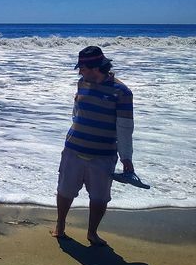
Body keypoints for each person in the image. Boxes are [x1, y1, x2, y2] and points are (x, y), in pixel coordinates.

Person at [51, 46, 134, 246]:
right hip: (73, 149)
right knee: (65, 190)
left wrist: (126, 159)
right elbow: (76, 112)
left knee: (99, 198)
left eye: (82, 67)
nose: (80, 72)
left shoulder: (121, 92)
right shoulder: (82, 83)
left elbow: (124, 128)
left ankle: (92, 233)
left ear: (96, 67)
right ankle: (60, 225)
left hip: (103, 155)